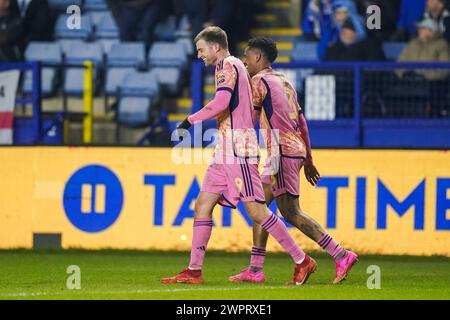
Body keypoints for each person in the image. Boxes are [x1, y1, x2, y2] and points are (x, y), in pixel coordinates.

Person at [160, 27, 316, 286]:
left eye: (201, 49)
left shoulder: (228, 65)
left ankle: (302, 260)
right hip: (225, 149)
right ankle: (194, 270)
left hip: (238, 149)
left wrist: (189, 120)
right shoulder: (228, 67)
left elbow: (222, 103)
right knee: (202, 204)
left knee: (256, 210)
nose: (198, 55)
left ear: (216, 47)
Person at [228, 36, 358, 285]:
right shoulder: (285, 82)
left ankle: (340, 254)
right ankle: (256, 268)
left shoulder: (258, 81)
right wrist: (308, 158)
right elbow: (302, 123)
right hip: (291, 148)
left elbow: (249, 120)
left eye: (246, 56)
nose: (244, 61)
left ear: (258, 57)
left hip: (279, 151)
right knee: (261, 207)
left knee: (288, 212)